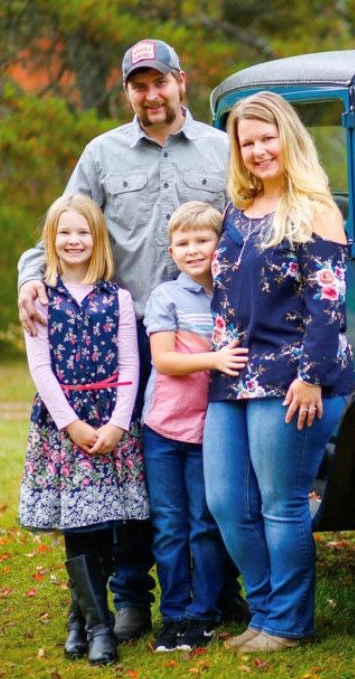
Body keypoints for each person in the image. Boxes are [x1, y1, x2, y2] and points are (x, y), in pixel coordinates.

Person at [16, 38, 247, 641]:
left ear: (181, 81)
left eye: (160, 81)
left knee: (216, 462)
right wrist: (28, 280)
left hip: (211, 335)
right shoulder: (103, 155)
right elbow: (64, 227)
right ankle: (130, 599)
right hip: (131, 337)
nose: (151, 95)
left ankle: (219, 589)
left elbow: (251, 230)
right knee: (135, 471)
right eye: (139, 86)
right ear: (128, 93)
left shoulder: (222, 151)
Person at [203, 91, 355, 654]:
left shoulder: (314, 208)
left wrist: (312, 375)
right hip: (232, 376)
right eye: (248, 142)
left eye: (268, 138)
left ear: (288, 139)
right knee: (225, 502)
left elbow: (329, 301)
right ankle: (264, 611)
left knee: (281, 502)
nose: (259, 150)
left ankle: (288, 623)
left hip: (294, 376)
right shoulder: (235, 211)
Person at [18, 195, 149, 665]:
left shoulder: (118, 298)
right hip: (65, 423)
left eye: (84, 232)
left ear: (98, 239)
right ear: (51, 240)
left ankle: (79, 618)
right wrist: (71, 424)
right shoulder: (41, 298)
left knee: (106, 519)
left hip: (110, 419)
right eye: (64, 233)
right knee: (79, 521)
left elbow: (131, 364)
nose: (74, 241)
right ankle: (98, 629)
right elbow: (40, 368)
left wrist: (116, 422)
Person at [142, 201, 250, 651]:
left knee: (205, 523)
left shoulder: (235, 293)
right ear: (171, 250)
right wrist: (214, 358)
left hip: (212, 429)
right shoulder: (167, 297)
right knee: (170, 525)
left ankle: (203, 614)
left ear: (219, 244)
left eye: (202, 240)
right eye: (182, 243)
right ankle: (174, 614)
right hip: (164, 429)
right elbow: (164, 360)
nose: (192, 249)